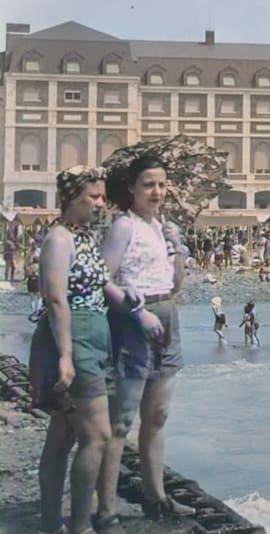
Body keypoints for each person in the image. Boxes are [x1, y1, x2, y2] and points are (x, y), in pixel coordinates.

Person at [29, 166, 160, 534]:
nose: (101, 203)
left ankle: (53, 523)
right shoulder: (59, 239)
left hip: (95, 334)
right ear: (72, 197)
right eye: (94, 196)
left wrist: (132, 302)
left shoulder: (83, 236)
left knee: (64, 433)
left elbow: (103, 284)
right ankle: (82, 524)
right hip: (72, 336)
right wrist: (66, 357)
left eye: (102, 196)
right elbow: (55, 300)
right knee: (97, 436)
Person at [98, 156, 195, 524]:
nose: (157, 192)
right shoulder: (124, 226)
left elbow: (176, 286)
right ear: (132, 189)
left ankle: (157, 497)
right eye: (149, 185)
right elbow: (102, 279)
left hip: (167, 317)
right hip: (133, 319)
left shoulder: (162, 227)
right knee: (122, 421)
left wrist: (178, 250)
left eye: (162, 184)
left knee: (157, 416)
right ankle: (106, 508)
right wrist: (135, 311)